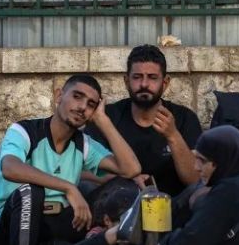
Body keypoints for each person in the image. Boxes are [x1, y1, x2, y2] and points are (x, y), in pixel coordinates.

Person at [0, 74, 141, 245]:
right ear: (59, 96)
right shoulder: (25, 131)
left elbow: (131, 168)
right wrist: (68, 187)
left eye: (90, 104)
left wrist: (103, 121)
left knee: (126, 185)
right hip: (9, 226)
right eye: (77, 96)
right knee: (30, 192)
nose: (82, 107)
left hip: (52, 225)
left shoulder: (83, 143)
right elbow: (10, 167)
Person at [86, 45, 202, 196]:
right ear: (127, 81)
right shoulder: (107, 118)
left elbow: (195, 180)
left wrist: (173, 135)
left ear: (165, 83)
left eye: (152, 78)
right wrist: (127, 178)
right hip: (118, 205)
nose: (144, 84)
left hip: (173, 208)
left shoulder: (184, 118)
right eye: (137, 77)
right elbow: (82, 172)